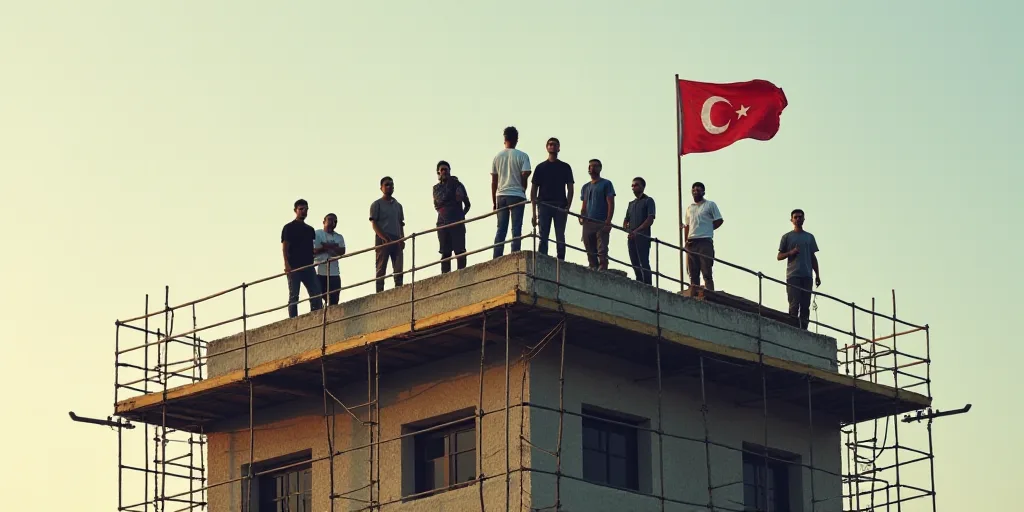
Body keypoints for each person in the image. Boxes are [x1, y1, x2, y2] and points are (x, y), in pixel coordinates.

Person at [530, 137, 574, 260]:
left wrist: (568, 207)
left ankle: (561, 261)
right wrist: (534, 213)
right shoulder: (540, 167)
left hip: (560, 205)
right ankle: (542, 259)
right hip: (544, 205)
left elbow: (570, 189)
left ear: (559, 147)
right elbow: (533, 191)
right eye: (550, 144)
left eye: (555, 144)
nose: (552, 146)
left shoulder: (565, 167)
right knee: (543, 235)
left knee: (560, 236)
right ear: (546, 147)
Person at [491, 126, 531, 259]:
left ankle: (497, 257)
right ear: (516, 139)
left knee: (501, 228)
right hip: (517, 194)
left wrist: (494, 202)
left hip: (501, 195)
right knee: (516, 228)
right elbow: (525, 174)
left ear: (504, 139)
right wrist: (522, 187)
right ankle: (514, 256)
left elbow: (494, 181)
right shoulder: (523, 156)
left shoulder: (497, 157)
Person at [777, 209, 821, 330]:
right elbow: (779, 256)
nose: (798, 219)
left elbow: (813, 257)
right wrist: (791, 252)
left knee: (805, 305)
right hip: (793, 275)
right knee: (794, 304)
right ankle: (793, 329)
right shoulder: (786, 237)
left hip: (807, 275)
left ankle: (803, 330)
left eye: (800, 217)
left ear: (804, 219)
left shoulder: (809, 237)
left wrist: (817, 275)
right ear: (791, 220)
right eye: (795, 217)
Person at [281, 199, 323, 318]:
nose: (304, 211)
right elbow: (285, 247)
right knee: (294, 295)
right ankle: (293, 319)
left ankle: (316, 315)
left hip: (308, 265)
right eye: (301, 209)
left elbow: (312, 247)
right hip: (294, 266)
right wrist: (286, 264)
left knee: (316, 292)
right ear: (295, 210)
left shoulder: (310, 230)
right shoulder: (288, 227)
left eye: (306, 209)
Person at [682, 181, 723, 297]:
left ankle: (710, 295)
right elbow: (687, 225)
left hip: (705, 241)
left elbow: (719, 220)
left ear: (703, 192)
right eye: (694, 190)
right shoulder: (690, 208)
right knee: (693, 272)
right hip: (691, 242)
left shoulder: (710, 205)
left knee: (706, 271)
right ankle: (694, 295)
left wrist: (708, 229)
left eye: (698, 190)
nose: (696, 192)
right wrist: (685, 241)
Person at [433, 160, 471, 273]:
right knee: (445, 253)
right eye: (442, 170)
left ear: (450, 171)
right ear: (438, 173)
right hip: (442, 224)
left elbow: (467, 204)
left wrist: (460, 215)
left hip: (457, 222)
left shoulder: (458, 184)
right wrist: (452, 189)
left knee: (460, 251)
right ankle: (445, 277)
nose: (444, 171)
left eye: (446, 169)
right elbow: (438, 202)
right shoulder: (436, 188)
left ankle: (462, 274)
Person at [370, 177, 406, 292]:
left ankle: (399, 290)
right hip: (383, 239)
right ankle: (379, 293)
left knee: (399, 267)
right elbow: (374, 224)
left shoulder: (398, 205)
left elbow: (401, 224)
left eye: (391, 184)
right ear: (381, 188)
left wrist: (402, 238)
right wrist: (384, 237)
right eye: (387, 185)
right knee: (381, 268)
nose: (389, 187)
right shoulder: (377, 204)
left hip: (396, 239)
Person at [579, 159, 615, 270]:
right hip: (588, 222)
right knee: (589, 248)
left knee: (602, 249)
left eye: (595, 166)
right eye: (590, 166)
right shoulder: (585, 187)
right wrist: (581, 216)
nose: (592, 168)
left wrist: (608, 221)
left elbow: (610, 203)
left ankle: (603, 270)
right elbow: (584, 205)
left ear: (600, 168)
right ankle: (593, 268)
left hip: (601, 222)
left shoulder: (606, 184)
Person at [623, 177, 656, 285]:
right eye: (632, 185)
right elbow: (626, 219)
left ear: (642, 186)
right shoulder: (631, 204)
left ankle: (648, 285)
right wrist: (628, 230)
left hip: (643, 236)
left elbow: (650, 219)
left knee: (643, 262)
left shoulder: (648, 200)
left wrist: (637, 231)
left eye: (636, 185)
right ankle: (639, 282)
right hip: (632, 237)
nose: (633, 188)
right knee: (634, 262)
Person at [313, 213, 346, 306]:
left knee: (334, 298)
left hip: (334, 272)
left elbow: (342, 250)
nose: (333, 223)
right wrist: (331, 247)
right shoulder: (317, 234)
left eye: (335, 221)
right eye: (330, 220)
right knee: (317, 296)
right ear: (324, 222)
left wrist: (325, 245)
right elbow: (313, 250)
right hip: (319, 270)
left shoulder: (338, 237)